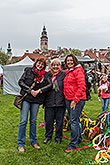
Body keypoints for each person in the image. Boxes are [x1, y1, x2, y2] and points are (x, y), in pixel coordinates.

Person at [17, 57, 51, 153]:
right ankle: (20, 144)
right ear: (36, 63)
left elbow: (50, 85)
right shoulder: (28, 71)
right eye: (38, 63)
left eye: (42, 64)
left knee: (33, 121)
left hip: (36, 100)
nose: (40, 65)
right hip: (26, 98)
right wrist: (30, 90)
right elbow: (20, 82)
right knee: (23, 121)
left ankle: (33, 141)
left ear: (44, 66)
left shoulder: (46, 75)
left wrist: (39, 91)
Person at [63, 54, 86, 153]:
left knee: (73, 121)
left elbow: (82, 86)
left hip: (76, 100)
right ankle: (79, 139)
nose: (69, 62)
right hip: (68, 98)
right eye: (67, 61)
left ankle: (73, 145)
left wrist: (75, 100)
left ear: (75, 61)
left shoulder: (78, 70)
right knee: (75, 119)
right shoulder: (68, 71)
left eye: (71, 60)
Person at [43, 58, 66, 144]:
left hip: (61, 102)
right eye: (53, 65)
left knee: (59, 122)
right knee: (49, 121)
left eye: (57, 65)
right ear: (51, 66)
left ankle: (58, 137)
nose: (55, 67)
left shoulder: (63, 74)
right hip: (49, 101)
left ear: (60, 66)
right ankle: (48, 136)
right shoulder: (47, 75)